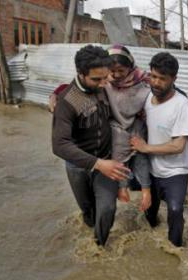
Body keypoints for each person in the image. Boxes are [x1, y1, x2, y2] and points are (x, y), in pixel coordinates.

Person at [52, 45, 130, 246]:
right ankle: (89, 234)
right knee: (88, 211)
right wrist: (97, 163)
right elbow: (59, 145)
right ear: (81, 74)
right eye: (97, 79)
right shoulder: (67, 101)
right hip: (79, 166)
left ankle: (99, 246)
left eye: (106, 77)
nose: (104, 84)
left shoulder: (104, 85)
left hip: (106, 160)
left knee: (107, 209)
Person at [130, 52, 188, 247]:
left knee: (174, 209)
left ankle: (176, 246)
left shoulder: (181, 104)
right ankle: (153, 233)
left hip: (176, 171)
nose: (156, 83)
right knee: (150, 211)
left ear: (174, 79)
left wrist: (145, 147)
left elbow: (178, 145)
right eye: (153, 76)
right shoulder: (148, 96)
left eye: (162, 79)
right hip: (152, 169)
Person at [105, 44, 152, 212]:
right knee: (119, 151)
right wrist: (57, 93)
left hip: (137, 124)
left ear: (130, 66)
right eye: (112, 71)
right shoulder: (103, 82)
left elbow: (165, 91)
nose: (117, 75)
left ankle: (146, 190)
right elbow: (74, 86)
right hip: (116, 127)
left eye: (121, 71)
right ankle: (122, 187)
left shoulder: (144, 81)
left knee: (140, 153)